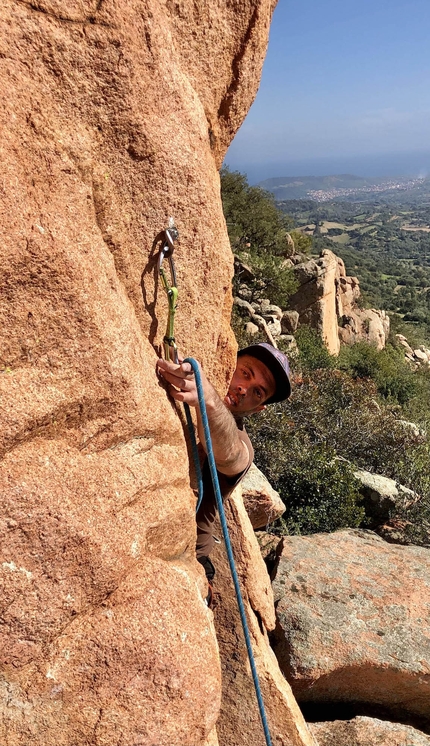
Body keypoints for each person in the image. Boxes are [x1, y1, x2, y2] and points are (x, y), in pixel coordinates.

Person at [156, 342, 291, 593]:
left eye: (257, 393)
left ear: (258, 408)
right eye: (245, 373)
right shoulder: (200, 383)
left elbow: (231, 457)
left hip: (190, 555)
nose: (243, 389)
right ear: (230, 362)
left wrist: (208, 401)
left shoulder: (242, 444)